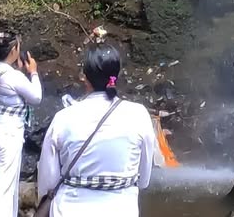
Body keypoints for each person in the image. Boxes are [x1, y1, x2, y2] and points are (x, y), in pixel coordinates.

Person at [37, 44, 155, 214]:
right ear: (117, 75)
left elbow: (47, 183)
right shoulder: (138, 115)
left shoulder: (64, 118)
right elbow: (143, 181)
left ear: (85, 78)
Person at [0, 30, 43, 217]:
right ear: (14, 51)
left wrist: (21, 73)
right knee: (3, 188)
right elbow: (36, 97)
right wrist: (33, 73)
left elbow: (7, 93)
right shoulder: (14, 76)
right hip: (6, 134)